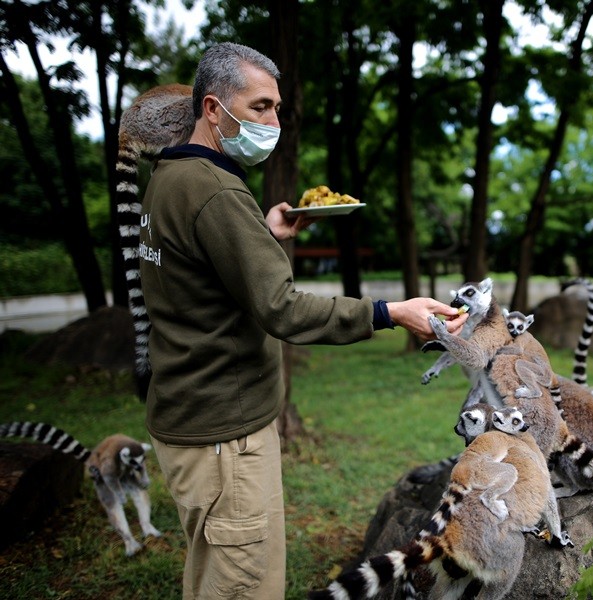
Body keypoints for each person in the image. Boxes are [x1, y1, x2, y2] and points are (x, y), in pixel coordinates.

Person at [138, 42, 468, 599]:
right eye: (261, 106)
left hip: (186, 423)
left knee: (211, 576)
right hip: (226, 438)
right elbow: (281, 307)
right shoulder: (215, 191)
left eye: (277, 109)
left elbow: (198, 282)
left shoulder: (170, 178)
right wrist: (389, 312)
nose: (273, 122)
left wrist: (260, 236)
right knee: (244, 585)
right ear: (213, 109)